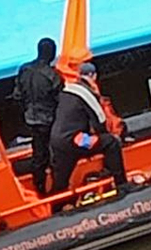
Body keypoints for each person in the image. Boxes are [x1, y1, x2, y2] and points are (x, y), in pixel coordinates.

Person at [49, 62, 127, 196]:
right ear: (93, 76)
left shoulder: (67, 90)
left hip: (56, 140)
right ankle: (122, 185)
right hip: (76, 140)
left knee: (62, 178)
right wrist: (105, 136)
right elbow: (100, 121)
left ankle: (57, 205)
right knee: (110, 142)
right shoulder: (87, 94)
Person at [13, 37, 63, 196]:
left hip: (30, 118)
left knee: (38, 154)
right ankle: (57, 188)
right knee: (55, 153)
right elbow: (61, 99)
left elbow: (17, 95)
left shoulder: (24, 70)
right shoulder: (53, 75)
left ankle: (39, 187)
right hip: (49, 119)